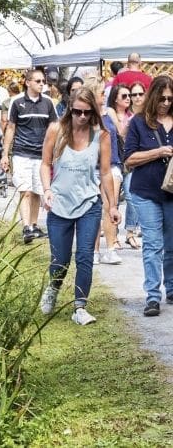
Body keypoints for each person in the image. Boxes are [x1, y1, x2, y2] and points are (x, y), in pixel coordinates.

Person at [38, 86, 121, 325]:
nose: (82, 117)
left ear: (93, 111)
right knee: (61, 259)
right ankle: (53, 287)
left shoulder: (101, 135)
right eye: (77, 112)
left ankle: (80, 307)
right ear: (69, 109)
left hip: (89, 203)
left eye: (87, 112)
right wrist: (46, 190)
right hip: (60, 203)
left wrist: (112, 205)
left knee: (85, 256)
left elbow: (105, 173)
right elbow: (44, 164)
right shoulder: (56, 130)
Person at [123, 75, 173, 317]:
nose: (165, 102)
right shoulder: (139, 123)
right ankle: (152, 296)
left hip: (172, 193)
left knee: (172, 243)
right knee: (153, 245)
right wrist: (158, 152)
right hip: (146, 192)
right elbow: (129, 159)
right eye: (162, 98)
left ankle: (171, 288)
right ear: (153, 96)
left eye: (170, 99)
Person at [2, 69, 58, 244]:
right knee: (24, 190)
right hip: (22, 152)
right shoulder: (17, 102)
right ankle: (26, 227)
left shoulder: (48, 102)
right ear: (28, 82)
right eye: (38, 81)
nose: (42, 84)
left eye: (43, 81)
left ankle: (33, 226)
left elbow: (54, 128)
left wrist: (55, 152)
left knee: (36, 191)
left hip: (41, 154)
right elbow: (11, 128)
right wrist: (5, 154)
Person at [98, 84, 133, 264]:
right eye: (100, 93)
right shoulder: (85, 114)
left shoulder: (108, 112)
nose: (102, 96)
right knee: (94, 208)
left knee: (110, 206)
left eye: (104, 93)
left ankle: (111, 248)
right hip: (93, 166)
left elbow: (120, 132)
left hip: (113, 163)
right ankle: (95, 251)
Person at [123, 81, 148, 248]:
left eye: (140, 94)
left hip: (147, 162)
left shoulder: (150, 114)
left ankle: (138, 229)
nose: (137, 97)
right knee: (130, 197)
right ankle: (130, 231)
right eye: (133, 95)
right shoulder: (126, 115)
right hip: (128, 162)